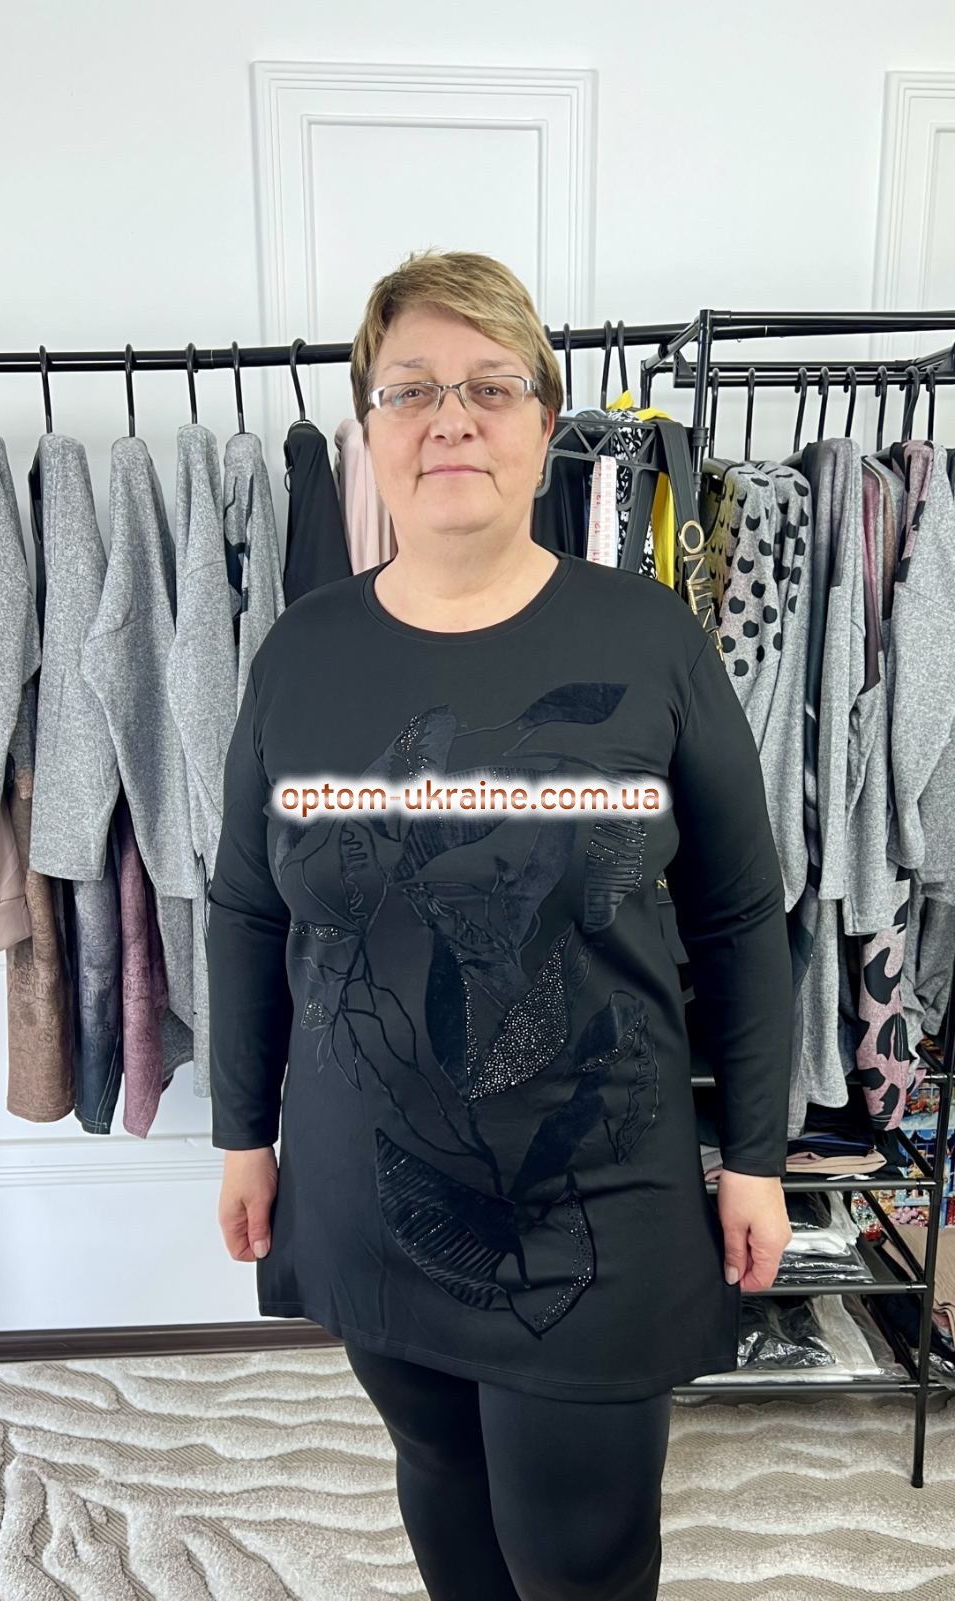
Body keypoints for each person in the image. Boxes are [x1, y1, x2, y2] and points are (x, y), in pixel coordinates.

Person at [207, 249, 794, 1601]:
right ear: (369, 430)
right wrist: (244, 1133)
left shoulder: (650, 639)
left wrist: (755, 1155)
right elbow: (246, 905)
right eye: (411, 388)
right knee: (441, 1479)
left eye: (490, 384)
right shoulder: (301, 652)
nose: (450, 418)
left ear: (545, 422)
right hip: (368, 1183)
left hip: (593, 1191)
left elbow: (739, 912)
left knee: (580, 1556)